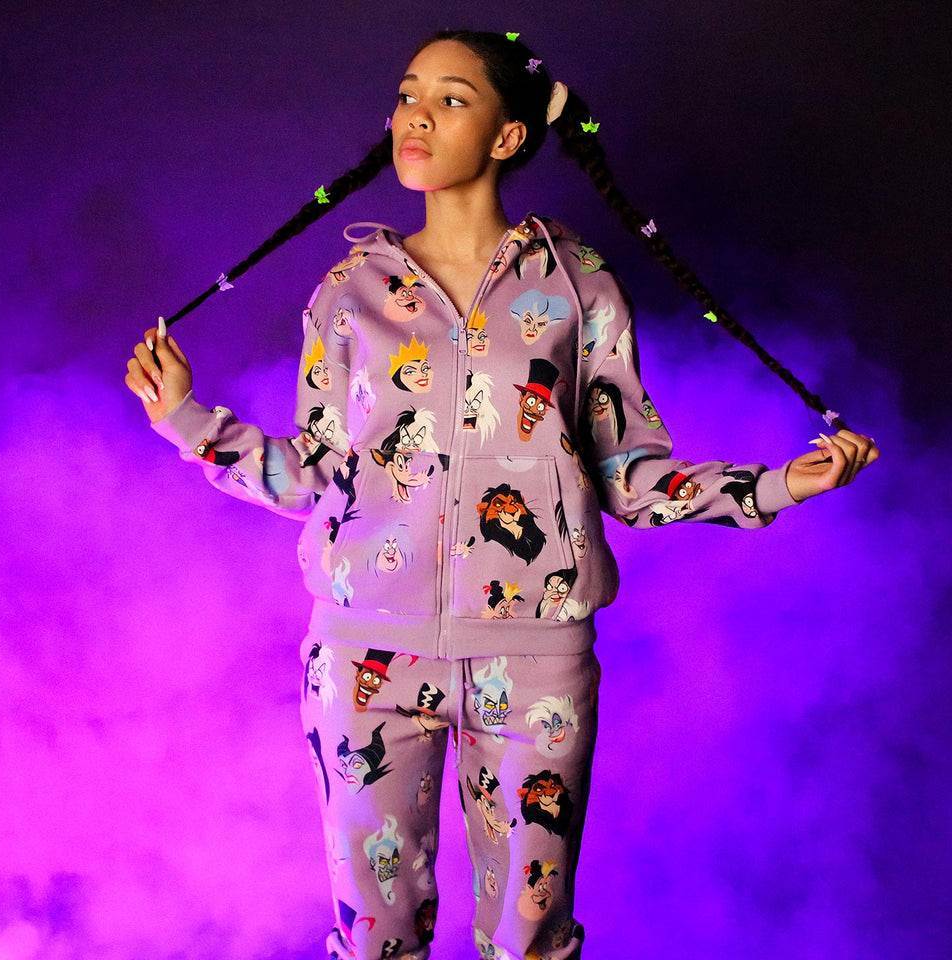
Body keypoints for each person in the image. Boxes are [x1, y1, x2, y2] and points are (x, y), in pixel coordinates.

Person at [124, 29, 879, 960]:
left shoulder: (577, 285)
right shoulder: (349, 291)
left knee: (530, 942)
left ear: (509, 135)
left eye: (451, 99)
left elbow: (628, 475)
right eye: (408, 94)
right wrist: (186, 418)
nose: (416, 117)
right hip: (365, 657)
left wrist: (774, 486)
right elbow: (317, 474)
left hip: (534, 665)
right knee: (375, 942)